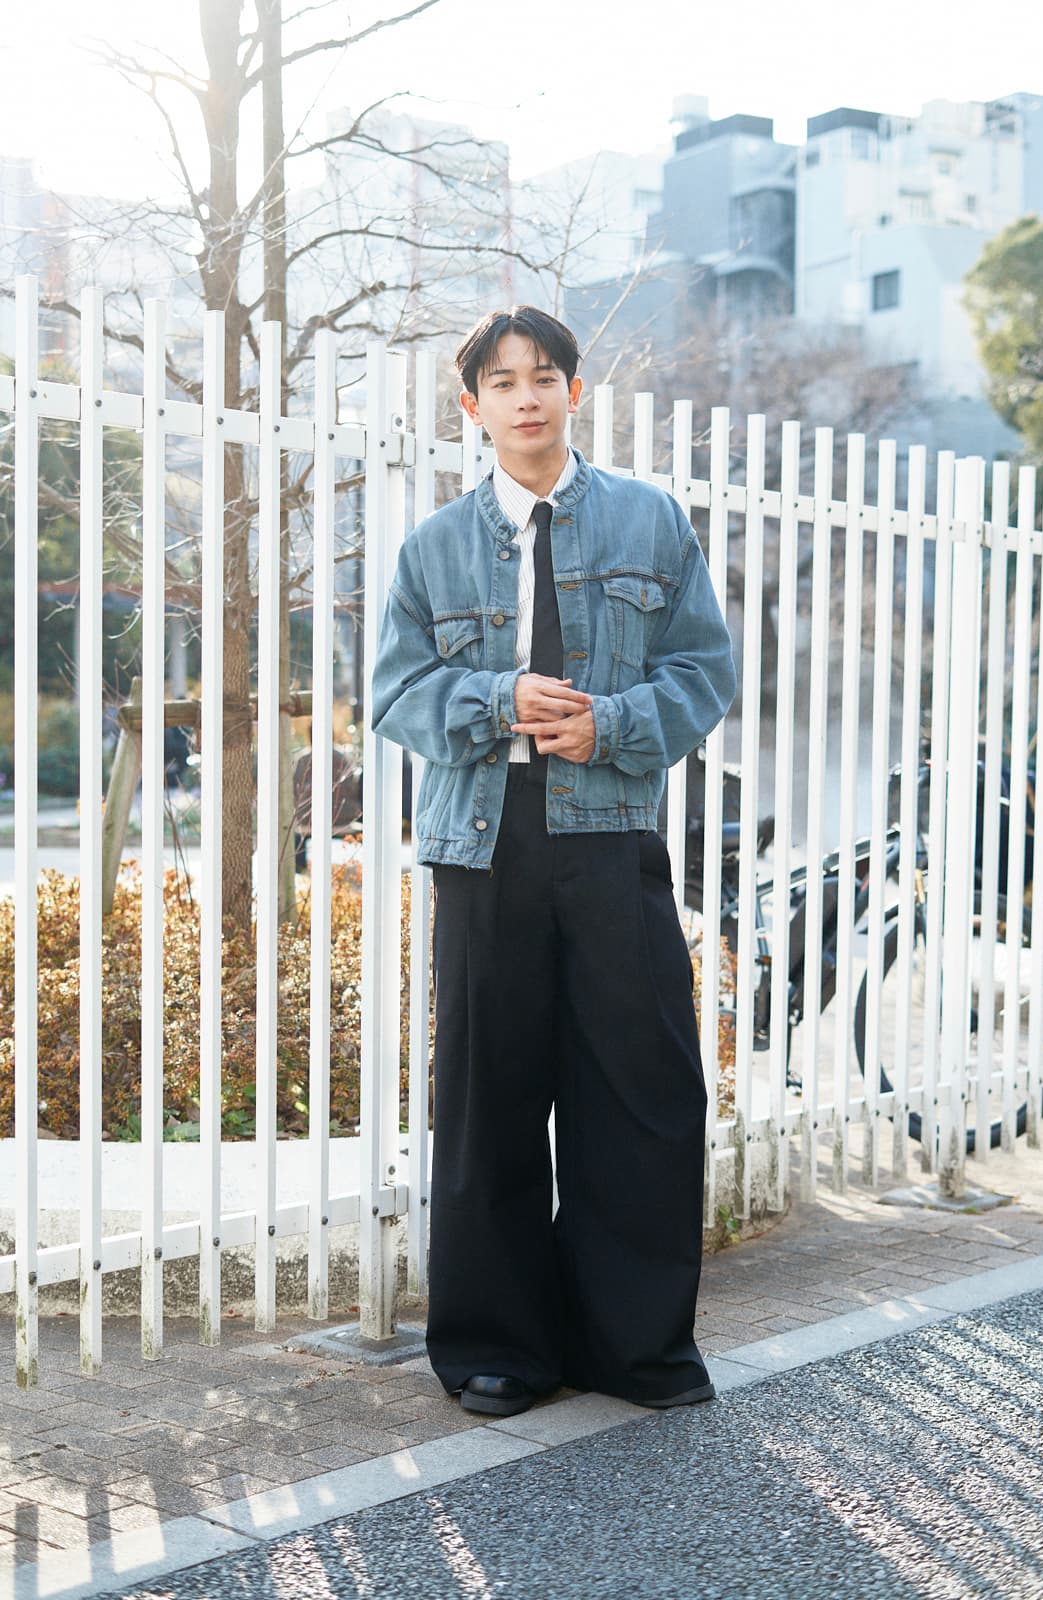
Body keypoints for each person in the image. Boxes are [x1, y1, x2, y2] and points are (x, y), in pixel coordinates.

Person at [372, 307, 735, 1418]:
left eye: (543, 377)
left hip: (610, 831)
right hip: (483, 844)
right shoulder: (433, 546)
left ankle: (634, 1348)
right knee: (489, 1097)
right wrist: (497, 699)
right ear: (472, 405)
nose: (524, 397)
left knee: (642, 1087)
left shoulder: (647, 519)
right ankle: (497, 1349)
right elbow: (394, 693)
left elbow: (702, 670)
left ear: (574, 392)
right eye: (501, 381)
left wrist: (611, 725)